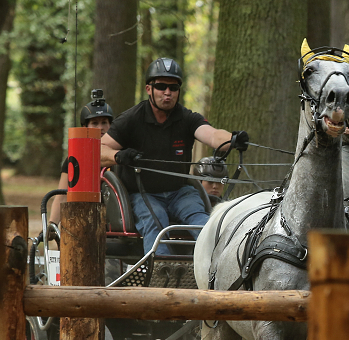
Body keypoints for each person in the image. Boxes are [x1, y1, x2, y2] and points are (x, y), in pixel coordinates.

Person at [100, 57, 248, 255]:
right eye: (161, 86)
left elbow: (212, 135)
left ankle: (213, 274)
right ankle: (162, 278)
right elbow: (98, 151)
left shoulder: (186, 118)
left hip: (180, 192)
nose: (167, 92)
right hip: (143, 193)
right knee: (155, 221)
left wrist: (233, 138)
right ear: (148, 89)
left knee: (204, 224)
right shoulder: (131, 119)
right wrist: (119, 156)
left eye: (173, 87)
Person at [50, 91, 114, 225]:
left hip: (115, 220)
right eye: (95, 123)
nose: (100, 128)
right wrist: (52, 224)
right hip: (83, 220)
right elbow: (62, 196)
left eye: (104, 123)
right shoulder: (74, 158)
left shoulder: (119, 155)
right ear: (85, 127)